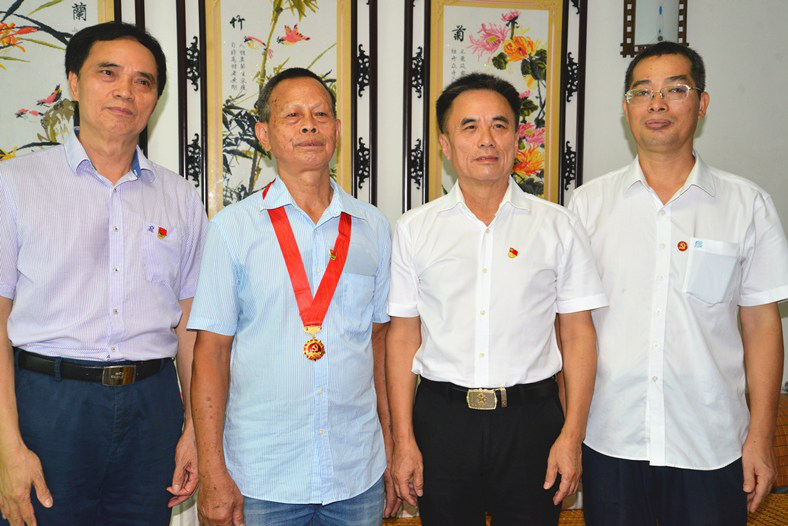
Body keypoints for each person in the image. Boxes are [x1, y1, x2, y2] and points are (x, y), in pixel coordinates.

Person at [568, 41, 788, 526]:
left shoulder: (747, 205)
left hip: (712, 442)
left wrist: (761, 437)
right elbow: (571, 329)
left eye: (675, 89)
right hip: (611, 439)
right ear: (626, 108)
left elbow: (762, 326)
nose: (657, 104)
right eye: (643, 92)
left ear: (702, 104)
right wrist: (569, 431)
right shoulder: (586, 206)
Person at [0, 22, 206, 526]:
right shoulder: (15, 184)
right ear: (74, 82)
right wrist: (7, 447)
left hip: (152, 407)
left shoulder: (179, 197)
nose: (125, 91)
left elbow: (191, 325)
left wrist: (196, 430)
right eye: (108, 73)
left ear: (155, 98)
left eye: (143, 80)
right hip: (48, 404)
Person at [386, 72, 608, 526]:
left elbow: (578, 334)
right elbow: (403, 336)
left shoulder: (557, 225)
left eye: (499, 125)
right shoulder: (415, 229)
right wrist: (403, 440)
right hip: (442, 422)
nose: (486, 139)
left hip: (531, 423)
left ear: (516, 138)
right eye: (469, 127)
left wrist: (572, 435)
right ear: (446, 145)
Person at [188, 67, 398, 526]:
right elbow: (211, 354)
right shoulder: (232, 229)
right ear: (264, 134)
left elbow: (381, 345)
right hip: (263, 476)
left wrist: (393, 447)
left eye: (320, 115)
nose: (309, 126)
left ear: (337, 130)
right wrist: (212, 471)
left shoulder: (373, 228)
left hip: (356, 471)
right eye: (293, 116)